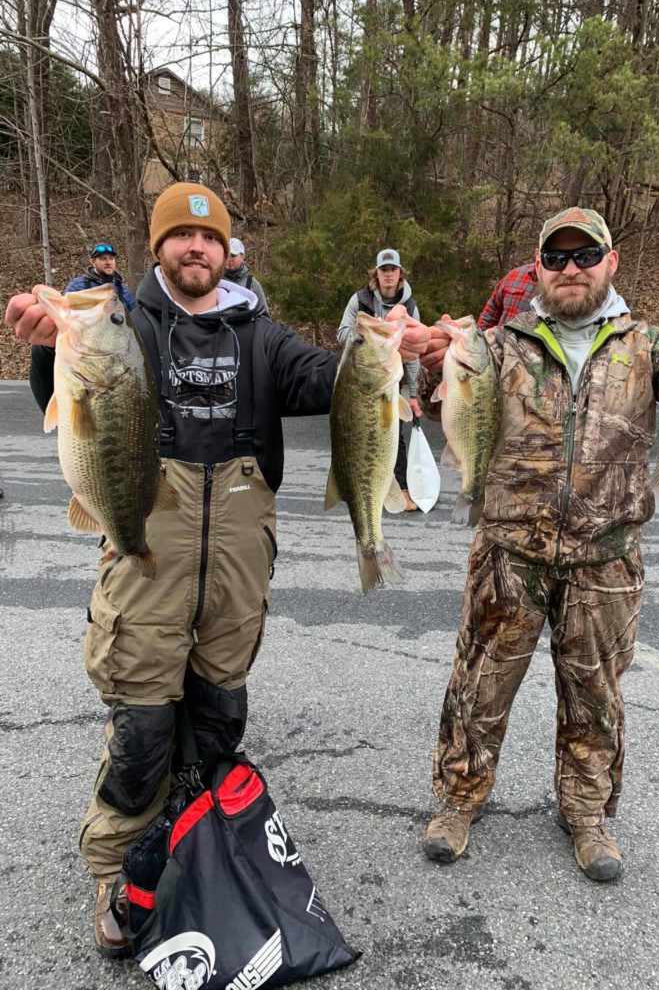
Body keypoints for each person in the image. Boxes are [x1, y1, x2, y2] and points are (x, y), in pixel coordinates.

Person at [5, 182, 430, 958]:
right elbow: (58, 395)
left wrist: (394, 353)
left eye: (209, 239)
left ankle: (195, 844)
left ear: (228, 250)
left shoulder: (262, 335)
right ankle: (118, 868)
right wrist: (45, 340)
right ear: (157, 245)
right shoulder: (118, 322)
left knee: (215, 718)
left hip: (238, 562)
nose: (195, 248)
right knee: (142, 724)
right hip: (146, 556)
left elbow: (336, 384)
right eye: (180, 237)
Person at [418, 206, 659, 881]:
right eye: (556, 258)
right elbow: (443, 388)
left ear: (612, 263)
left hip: (607, 557)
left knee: (595, 695)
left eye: (585, 256)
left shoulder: (651, 344)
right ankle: (457, 800)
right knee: (478, 686)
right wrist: (430, 357)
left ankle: (586, 813)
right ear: (536, 268)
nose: (570, 269)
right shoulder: (496, 344)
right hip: (508, 553)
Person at [337, 248, 423, 511]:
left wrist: (413, 394)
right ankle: (359, 485)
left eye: (392, 270)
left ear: (400, 274)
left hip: (386, 377)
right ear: (376, 274)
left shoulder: (409, 306)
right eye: (383, 270)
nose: (388, 275)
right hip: (358, 379)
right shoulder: (359, 300)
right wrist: (364, 332)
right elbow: (342, 335)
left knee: (393, 432)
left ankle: (401, 487)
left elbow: (413, 353)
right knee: (356, 434)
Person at [63, 242, 137, 312]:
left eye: (111, 258)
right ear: (93, 262)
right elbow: (63, 313)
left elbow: (135, 320)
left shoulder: (124, 291)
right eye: (103, 259)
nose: (108, 262)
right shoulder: (77, 286)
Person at [477, 259, 538, 330]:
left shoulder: (553, 288)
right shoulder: (514, 276)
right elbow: (490, 313)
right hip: (501, 339)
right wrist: (479, 337)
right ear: (537, 253)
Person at [225, 237, 270, 316]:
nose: (229, 259)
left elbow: (264, 316)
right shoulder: (215, 281)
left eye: (233, 255)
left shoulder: (252, 284)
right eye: (226, 254)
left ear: (242, 257)